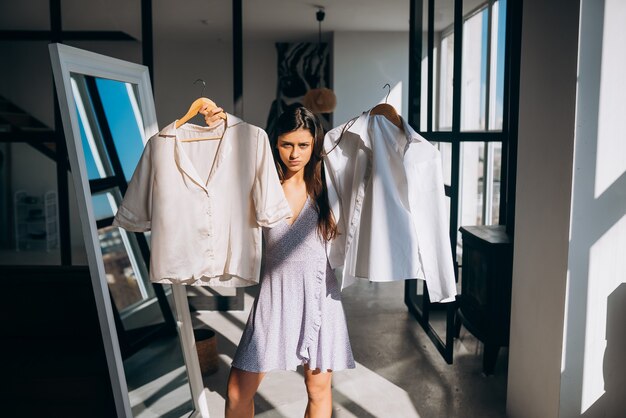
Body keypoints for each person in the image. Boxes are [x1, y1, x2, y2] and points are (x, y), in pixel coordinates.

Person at [226, 107, 355, 418]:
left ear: (314, 145)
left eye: (303, 145)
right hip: (274, 297)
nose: (295, 153)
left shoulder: (327, 186)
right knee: (236, 393)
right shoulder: (263, 183)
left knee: (319, 389)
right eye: (287, 144)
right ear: (276, 143)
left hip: (320, 296)